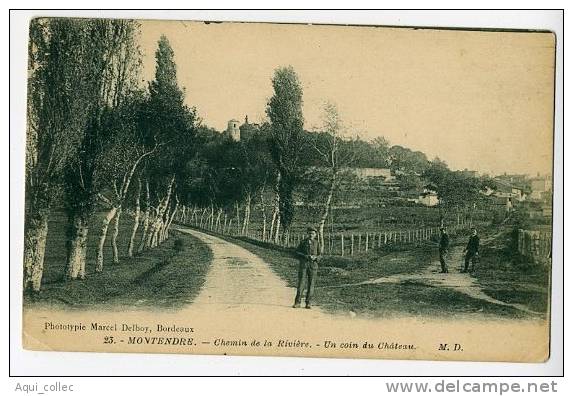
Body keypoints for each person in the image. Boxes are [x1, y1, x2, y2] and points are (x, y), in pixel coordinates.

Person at [293, 227, 321, 309]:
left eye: (313, 234)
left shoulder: (317, 243)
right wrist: (305, 256)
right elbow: (296, 252)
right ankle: (297, 302)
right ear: (307, 234)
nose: (311, 235)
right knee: (301, 283)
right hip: (304, 265)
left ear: (315, 234)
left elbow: (320, 254)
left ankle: (308, 303)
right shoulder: (303, 242)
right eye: (309, 233)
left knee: (311, 284)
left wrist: (316, 258)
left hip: (313, 266)